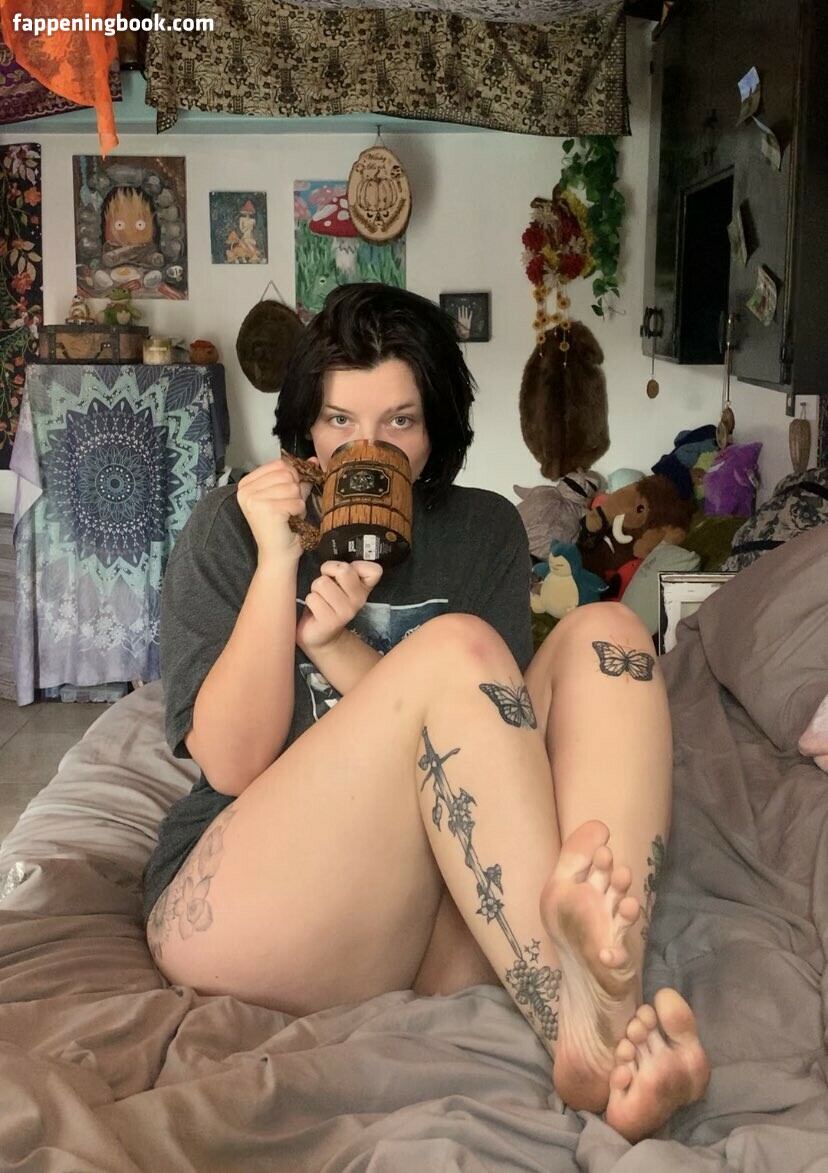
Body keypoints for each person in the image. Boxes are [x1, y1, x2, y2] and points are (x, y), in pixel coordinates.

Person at [143, 283, 709, 1142]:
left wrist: (340, 649)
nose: (366, 447)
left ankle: (605, 1009)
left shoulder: (482, 528)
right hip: (250, 909)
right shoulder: (232, 523)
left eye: (399, 422)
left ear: (434, 429)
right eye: (339, 421)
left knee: (612, 636)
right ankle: (586, 1024)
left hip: (437, 913)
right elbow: (229, 762)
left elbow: (494, 744)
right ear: (306, 426)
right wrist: (278, 561)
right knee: (460, 649)